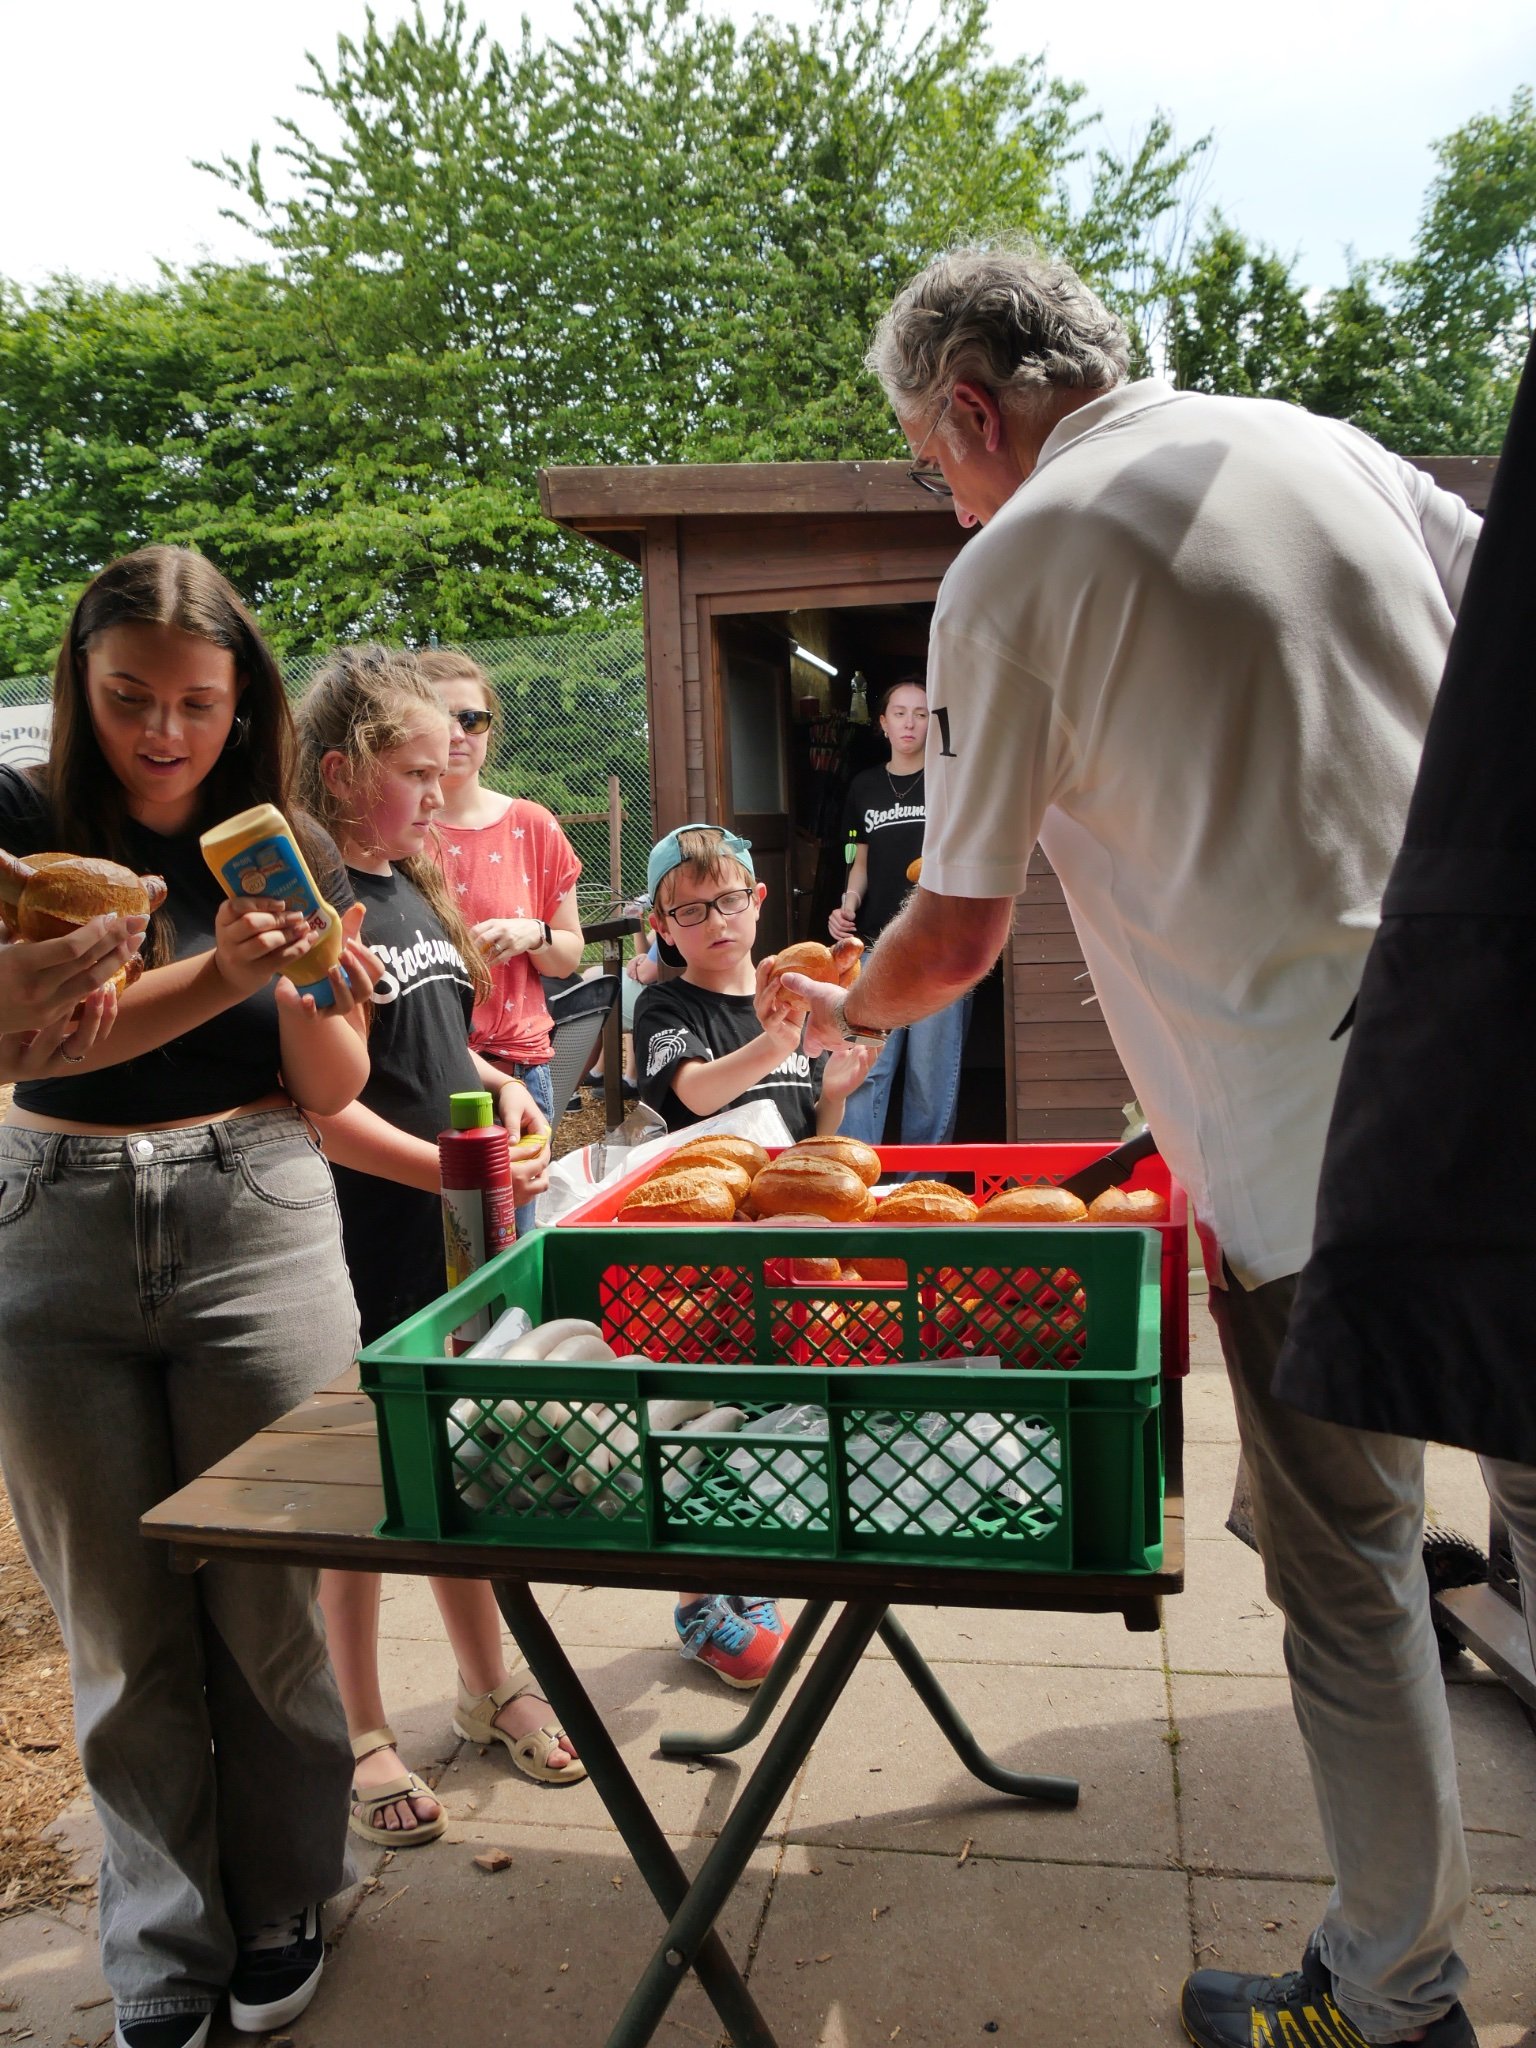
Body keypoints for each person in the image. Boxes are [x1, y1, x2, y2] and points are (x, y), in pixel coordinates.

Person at [781, 242, 1508, 2048]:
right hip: (1507, 1080)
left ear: (972, 406)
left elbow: (954, 936)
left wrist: (845, 1002)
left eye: (930, 464)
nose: (945, 498)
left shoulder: (1016, 560)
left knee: (1351, 1575)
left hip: (1302, 1150)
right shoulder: (1332, 449)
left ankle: (1392, 1993)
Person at [0, 546, 377, 2048]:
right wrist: (220, 971)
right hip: (50, 1215)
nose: (163, 733)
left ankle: (286, 1892)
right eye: (128, 698)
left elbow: (331, 1084)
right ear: (79, 688)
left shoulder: (289, 843)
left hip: (256, 1209)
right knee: (117, 1621)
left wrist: (320, 993)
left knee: (267, 1602)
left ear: (243, 704)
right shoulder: (22, 833)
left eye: (197, 704)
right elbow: (36, 1049)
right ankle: (162, 1934)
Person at [294, 646, 586, 1852]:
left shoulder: (412, 886)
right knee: (361, 1505)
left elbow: (436, 1041)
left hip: (447, 1241)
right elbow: (321, 1108)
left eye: (446, 761)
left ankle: (487, 1682)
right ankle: (361, 1728)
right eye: (414, 770)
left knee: (459, 1468)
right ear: (339, 770)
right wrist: (455, 1170)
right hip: (354, 1246)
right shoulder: (315, 912)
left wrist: (500, 1089)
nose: (440, 785)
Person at [634, 823, 877, 1686]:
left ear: (758, 900)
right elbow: (696, 1094)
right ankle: (700, 1600)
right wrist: (776, 1042)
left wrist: (834, 1095)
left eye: (729, 901)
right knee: (702, 1421)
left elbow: (808, 1143)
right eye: (690, 911)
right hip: (703, 1264)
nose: (716, 922)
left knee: (771, 1414)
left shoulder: (798, 998)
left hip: (784, 1257)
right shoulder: (668, 1008)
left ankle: (752, 1570)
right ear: (662, 926)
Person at [418, 649, 584, 1231]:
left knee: (510, 1246)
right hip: (427, 1064)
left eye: (472, 719)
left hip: (516, 1071)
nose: (457, 734)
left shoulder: (532, 825)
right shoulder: (400, 830)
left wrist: (532, 932)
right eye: (440, 718)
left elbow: (567, 956)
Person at [830, 676, 971, 1147]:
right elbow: (859, 864)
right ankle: (856, 1172)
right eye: (900, 713)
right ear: (883, 723)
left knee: (930, 1078)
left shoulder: (950, 781)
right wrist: (847, 905)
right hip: (876, 949)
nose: (910, 723)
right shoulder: (864, 786)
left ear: (933, 724)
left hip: (941, 949)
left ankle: (917, 1182)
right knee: (866, 1065)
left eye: (921, 714)